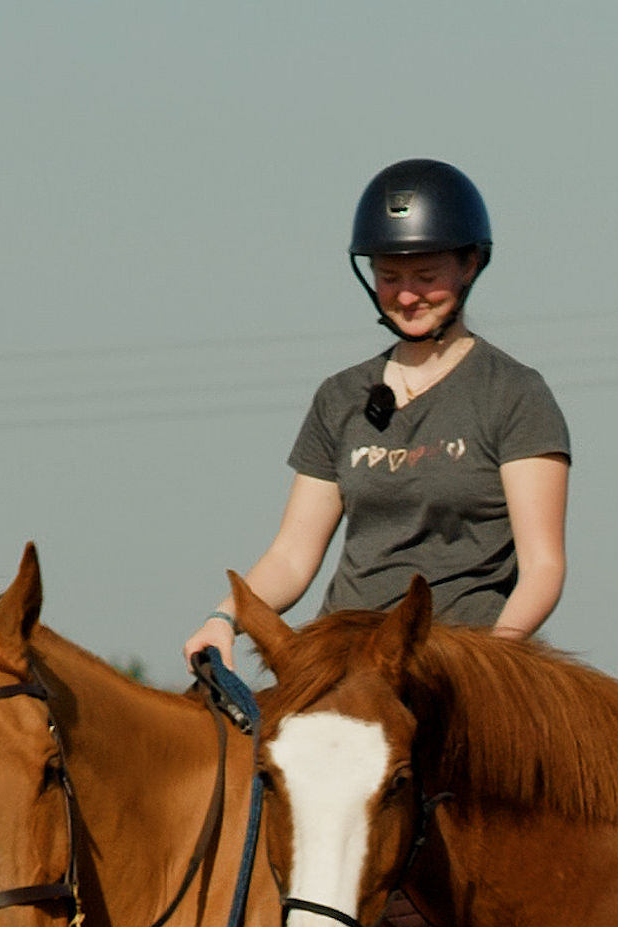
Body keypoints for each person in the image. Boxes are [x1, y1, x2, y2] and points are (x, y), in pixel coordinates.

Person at [184, 158, 571, 671]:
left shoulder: (514, 394)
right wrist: (224, 618)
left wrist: (491, 661)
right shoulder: (339, 397)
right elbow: (293, 555)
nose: (407, 295)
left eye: (426, 275)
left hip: (459, 661)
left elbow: (543, 565)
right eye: (389, 277)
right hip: (346, 661)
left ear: (471, 265)